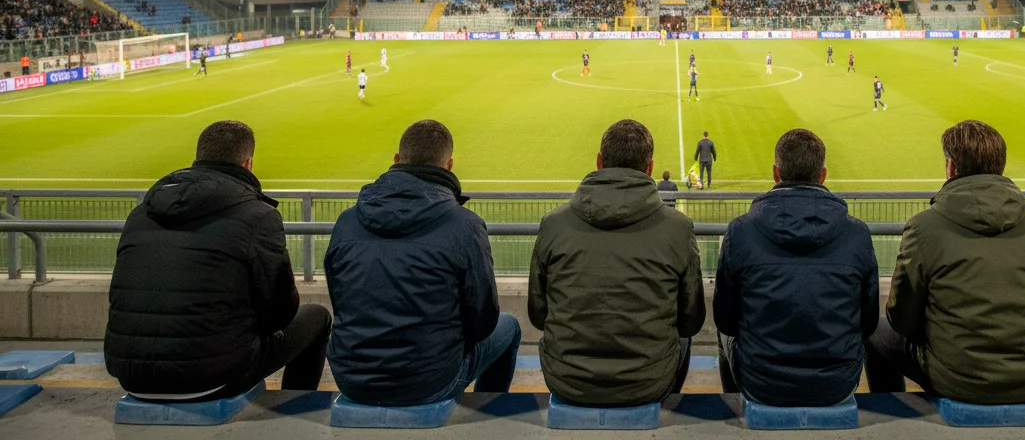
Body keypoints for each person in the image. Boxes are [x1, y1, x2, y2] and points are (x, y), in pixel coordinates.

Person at [105, 121, 331, 400]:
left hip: (130, 376)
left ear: (197, 158)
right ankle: (292, 406)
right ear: (247, 164)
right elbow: (281, 312)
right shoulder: (257, 215)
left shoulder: (140, 213)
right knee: (318, 318)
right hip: (210, 378)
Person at [865, 120, 1025, 404]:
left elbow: (902, 320)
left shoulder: (924, 227)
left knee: (875, 331)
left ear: (951, 167)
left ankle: (893, 413)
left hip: (959, 380)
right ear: (1001, 165)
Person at [326, 120, 520, 405]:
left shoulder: (346, 220)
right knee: (510, 327)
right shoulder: (465, 226)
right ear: (449, 165)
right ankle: (486, 415)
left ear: (396, 160)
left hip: (351, 379)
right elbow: (483, 321)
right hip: (429, 381)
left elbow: (340, 300)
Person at [528, 119, 705, 407]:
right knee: (682, 338)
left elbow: (538, 316)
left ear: (599, 162)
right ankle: (668, 408)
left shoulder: (552, 224)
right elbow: (691, 321)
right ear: (649, 168)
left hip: (567, 381)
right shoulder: (679, 228)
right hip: (650, 383)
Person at [715, 129, 878, 406]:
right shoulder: (858, 234)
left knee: (722, 335)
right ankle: (888, 404)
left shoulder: (740, 232)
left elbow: (726, 321)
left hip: (760, 383)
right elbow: (868, 322)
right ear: (823, 175)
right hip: (837, 385)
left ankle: (735, 403)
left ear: (775, 174)